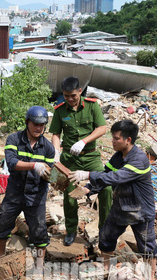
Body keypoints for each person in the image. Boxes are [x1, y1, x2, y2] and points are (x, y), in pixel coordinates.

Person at [69, 120, 157, 280]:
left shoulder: (139, 159)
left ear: (128, 140)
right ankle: (106, 271)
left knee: (147, 245)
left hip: (140, 210)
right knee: (106, 237)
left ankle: (150, 279)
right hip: (121, 207)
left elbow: (116, 177)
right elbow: (106, 174)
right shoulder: (118, 156)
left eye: (116, 138)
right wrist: (89, 187)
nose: (113, 141)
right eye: (113, 137)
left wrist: (88, 174)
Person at [50, 76, 112, 246]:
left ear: (79, 91)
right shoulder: (60, 110)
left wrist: (84, 141)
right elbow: (55, 133)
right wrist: (55, 152)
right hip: (70, 159)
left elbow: (102, 128)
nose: (70, 99)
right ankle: (71, 230)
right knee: (69, 195)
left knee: (106, 188)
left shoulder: (92, 106)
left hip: (91, 156)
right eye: (66, 96)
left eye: (73, 95)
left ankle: (104, 230)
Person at [0, 106, 55, 265]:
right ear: (27, 122)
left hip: (36, 194)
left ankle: (40, 264)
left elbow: (50, 173)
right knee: (3, 223)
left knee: (39, 229)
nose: (38, 128)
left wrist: (55, 176)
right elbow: (12, 163)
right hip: (16, 191)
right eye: (35, 124)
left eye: (42, 125)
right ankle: (1, 256)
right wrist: (34, 165)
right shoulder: (14, 139)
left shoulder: (48, 147)